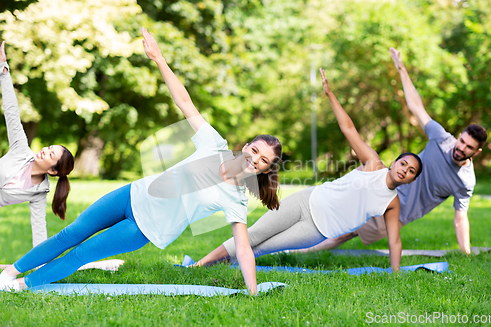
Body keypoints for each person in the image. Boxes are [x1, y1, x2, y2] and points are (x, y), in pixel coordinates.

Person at [0, 28, 282, 295]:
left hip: (144, 227)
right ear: (246, 146)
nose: (255, 159)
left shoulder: (236, 199)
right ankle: (11, 273)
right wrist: (159, 60)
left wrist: (253, 290)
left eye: (263, 160)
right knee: (70, 234)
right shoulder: (214, 144)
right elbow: (184, 102)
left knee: (82, 253)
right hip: (130, 194)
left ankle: (23, 286)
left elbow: (243, 249)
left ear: (266, 169)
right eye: (255, 150)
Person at [195, 68, 423, 273]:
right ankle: (201, 265)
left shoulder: (392, 203)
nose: (405, 170)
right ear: (394, 162)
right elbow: (348, 128)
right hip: (307, 200)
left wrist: (396, 274)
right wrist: (330, 94)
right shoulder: (373, 164)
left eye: (411, 171)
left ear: (411, 180)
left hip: (316, 229)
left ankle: (224, 267)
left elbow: (395, 241)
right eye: (404, 163)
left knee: (262, 248)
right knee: (253, 235)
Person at [294, 48, 487, 255]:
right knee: (333, 210)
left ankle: (296, 254)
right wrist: (401, 68)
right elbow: (416, 106)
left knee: (346, 233)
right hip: (383, 183)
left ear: (477, 152)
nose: (461, 148)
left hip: (399, 211)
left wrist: (466, 251)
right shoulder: (441, 138)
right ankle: (290, 242)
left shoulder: (465, 181)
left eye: (469, 148)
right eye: (462, 142)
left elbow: (460, 216)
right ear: (459, 136)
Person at [0, 41, 74, 247]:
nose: (43, 151)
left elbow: (39, 230)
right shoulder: (20, 149)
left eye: (50, 155)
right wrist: (4, 71)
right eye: (48, 148)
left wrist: (39, 265)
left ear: (52, 171)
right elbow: (12, 112)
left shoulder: (39, 193)